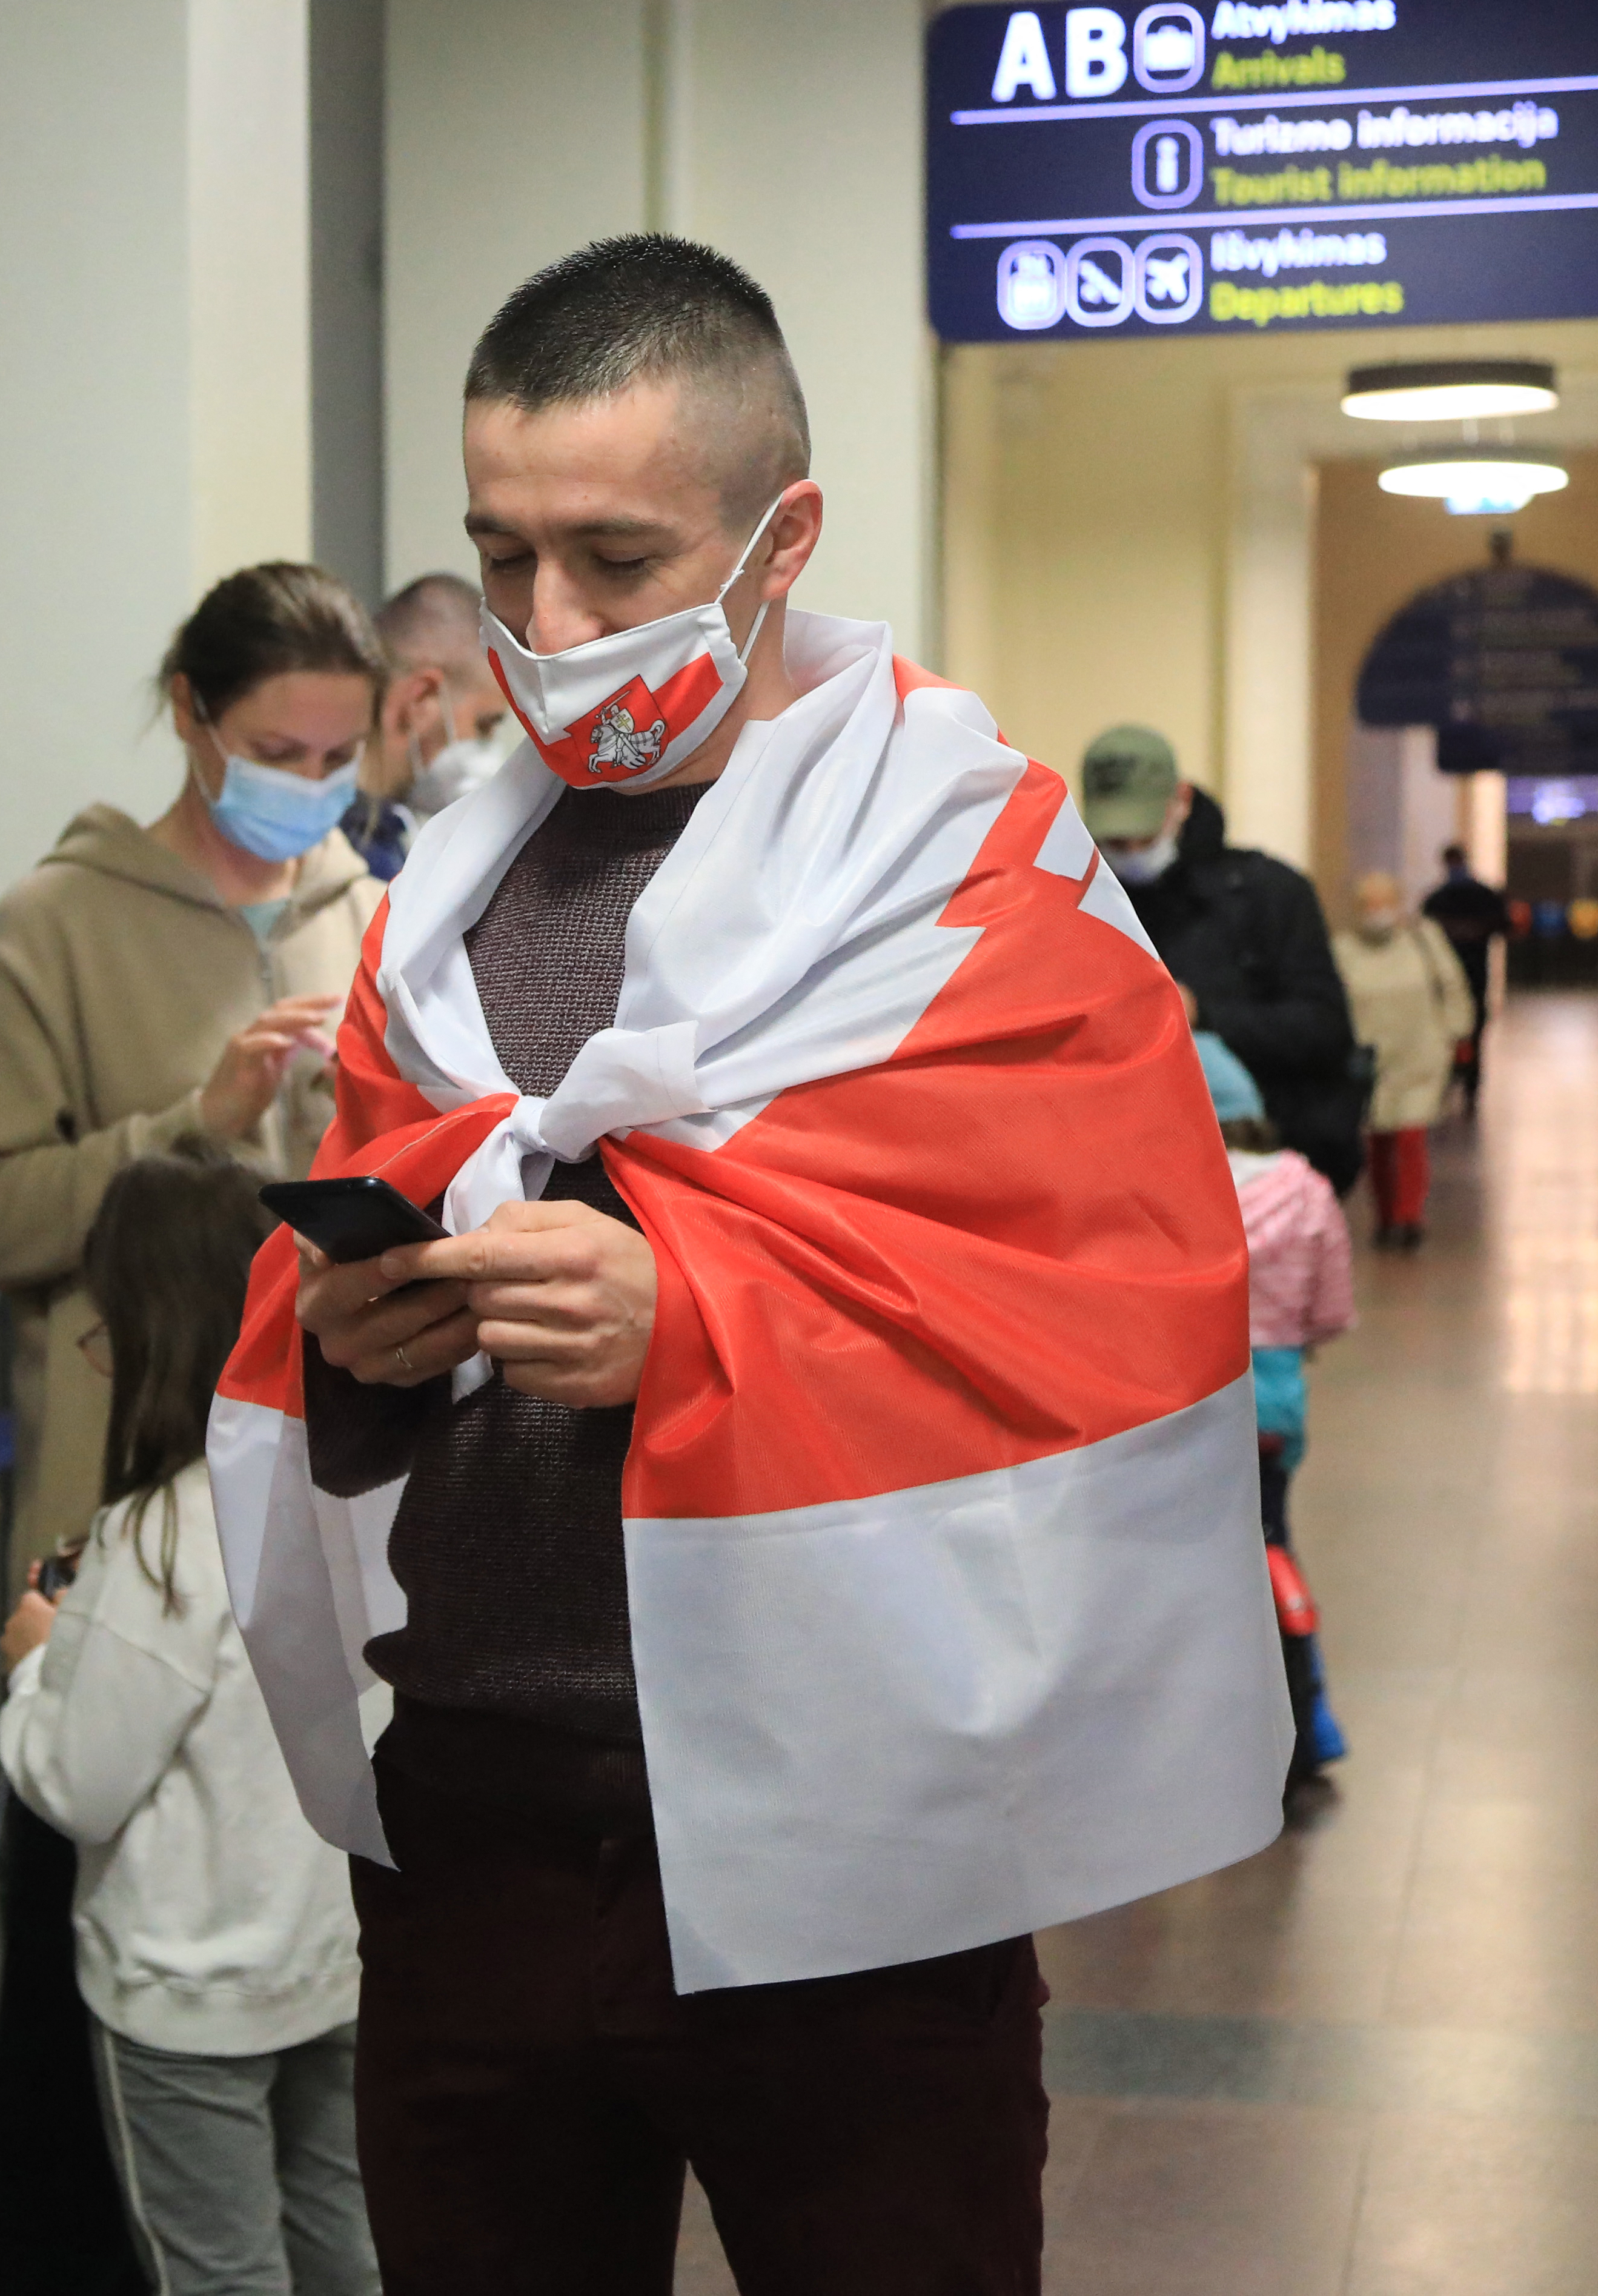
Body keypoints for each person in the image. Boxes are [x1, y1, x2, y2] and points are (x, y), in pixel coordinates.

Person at [207, 234, 1288, 2291]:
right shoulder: (443, 893)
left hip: (860, 1847)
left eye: (614, 560)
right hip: (483, 1833)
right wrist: (361, 1341)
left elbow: (1111, 1324)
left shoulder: (967, 874)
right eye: (499, 552)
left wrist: (691, 1324)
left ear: (779, 536)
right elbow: (360, 1235)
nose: (546, 624)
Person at [0, 561, 386, 1579]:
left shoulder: (373, 923)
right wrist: (195, 1121)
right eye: (278, 753)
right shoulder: (54, 929)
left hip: (336, 1469)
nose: (312, 787)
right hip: (123, 1481)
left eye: (339, 757)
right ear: (191, 711)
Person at [0, 1147, 377, 2296]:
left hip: (183, 2007)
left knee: (216, 2273)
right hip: (329, 1967)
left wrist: (32, 1668)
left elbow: (80, 1781)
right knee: (345, 2254)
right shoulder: (344, 1490)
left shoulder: (158, 1540)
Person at [1079, 724, 1364, 1193]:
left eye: (1144, 836)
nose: (1130, 852)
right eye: (1114, 841)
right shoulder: (1081, 904)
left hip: (1258, 1166)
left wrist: (1199, 1013)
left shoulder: (1270, 894)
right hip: (1124, 1173)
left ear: (1181, 801)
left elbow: (1324, 1029)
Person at [1205, 1033, 1354, 1783]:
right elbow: (1332, 1312)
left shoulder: (1170, 1187)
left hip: (1188, 1409)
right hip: (1273, 1407)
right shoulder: (1305, 1191)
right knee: (1272, 1540)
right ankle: (1309, 1720)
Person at [342, 570, 520, 880]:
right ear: (421, 698)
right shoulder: (345, 853)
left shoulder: (392, 835)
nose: (490, 750)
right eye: (484, 726)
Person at [1333, 868, 1476, 1250]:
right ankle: (1385, 1215)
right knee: (1378, 1138)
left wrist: (1458, 1033)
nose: (1377, 912)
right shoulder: (1343, 951)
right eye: (1370, 905)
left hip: (1421, 1052)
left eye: (1385, 904)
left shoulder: (1423, 941)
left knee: (1411, 1135)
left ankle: (1410, 1215)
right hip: (1371, 1059)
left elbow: (1452, 987)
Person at [1419, 841, 1510, 1110]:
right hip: (1472, 974)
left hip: (1454, 977)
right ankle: (1469, 1086)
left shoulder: (1438, 899)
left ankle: (1457, 1084)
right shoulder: (1482, 895)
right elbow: (1502, 926)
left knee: (1458, 1032)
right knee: (1471, 1031)